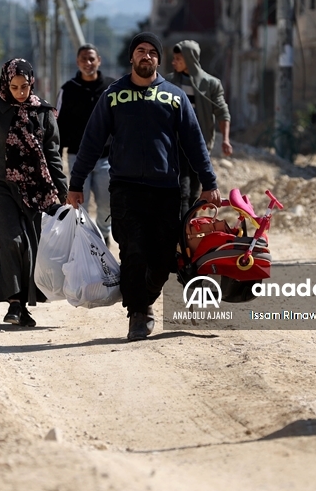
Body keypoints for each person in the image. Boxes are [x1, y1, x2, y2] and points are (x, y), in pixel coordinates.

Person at [67, 33, 221, 341]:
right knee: (134, 250)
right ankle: (137, 313)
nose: (147, 56)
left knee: (163, 258)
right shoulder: (113, 95)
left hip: (166, 190)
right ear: (131, 57)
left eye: (152, 52)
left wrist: (209, 181)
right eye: (141, 51)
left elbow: (194, 142)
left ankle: (145, 297)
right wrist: (76, 183)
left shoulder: (174, 97)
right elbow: (91, 141)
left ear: (159, 60)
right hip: (126, 190)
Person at [0, 58, 68, 327]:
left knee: (32, 246)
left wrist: (64, 192)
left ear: (31, 83)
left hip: (36, 191)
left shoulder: (44, 113)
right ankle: (14, 303)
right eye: (14, 86)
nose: (20, 92)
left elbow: (53, 156)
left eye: (24, 86)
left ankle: (23, 307)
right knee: (13, 240)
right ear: (5, 84)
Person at [56, 43, 112, 244]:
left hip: (107, 158)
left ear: (99, 60)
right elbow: (58, 125)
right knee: (80, 203)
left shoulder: (111, 88)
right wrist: (56, 158)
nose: (87, 63)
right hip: (77, 158)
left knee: (107, 204)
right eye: (83, 59)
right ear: (77, 62)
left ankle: (105, 233)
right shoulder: (68, 90)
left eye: (91, 59)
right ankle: (85, 240)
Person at [170, 40, 233, 218]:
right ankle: (179, 233)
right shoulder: (168, 82)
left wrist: (226, 140)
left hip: (200, 144)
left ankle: (188, 230)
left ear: (190, 59)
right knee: (181, 189)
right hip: (174, 144)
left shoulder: (211, 84)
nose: (173, 62)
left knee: (195, 191)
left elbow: (223, 112)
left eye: (178, 59)